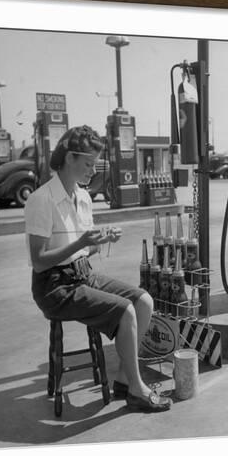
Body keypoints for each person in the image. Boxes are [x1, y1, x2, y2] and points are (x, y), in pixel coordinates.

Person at [24, 125, 171, 412]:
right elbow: (39, 260)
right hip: (54, 286)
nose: (93, 171)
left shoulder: (83, 197)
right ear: (70, 159)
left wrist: (100, 241)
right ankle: (138, 390)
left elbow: (83, 249)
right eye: (89, 164)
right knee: (126, 310)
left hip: (82, 274)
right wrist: (80, 241)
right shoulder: (41, 199)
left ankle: (123, 380)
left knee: (143, 301)